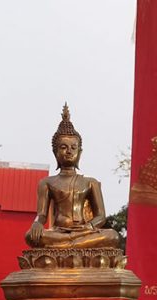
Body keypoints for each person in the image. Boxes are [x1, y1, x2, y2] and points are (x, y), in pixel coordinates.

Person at [25, 104, 121, 250]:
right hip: (59, 232)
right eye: (63, 147)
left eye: (73, 148)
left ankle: (65, 246)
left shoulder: (90, 182)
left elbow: (101, 216)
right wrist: (37, 223)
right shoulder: (47, 182)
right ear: (55, 152)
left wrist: (88, 226)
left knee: (112, 235)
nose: (69, 151)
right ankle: (72, 245)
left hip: (83, 231)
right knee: (30, 236)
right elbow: (42, 214)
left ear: (80, 152)